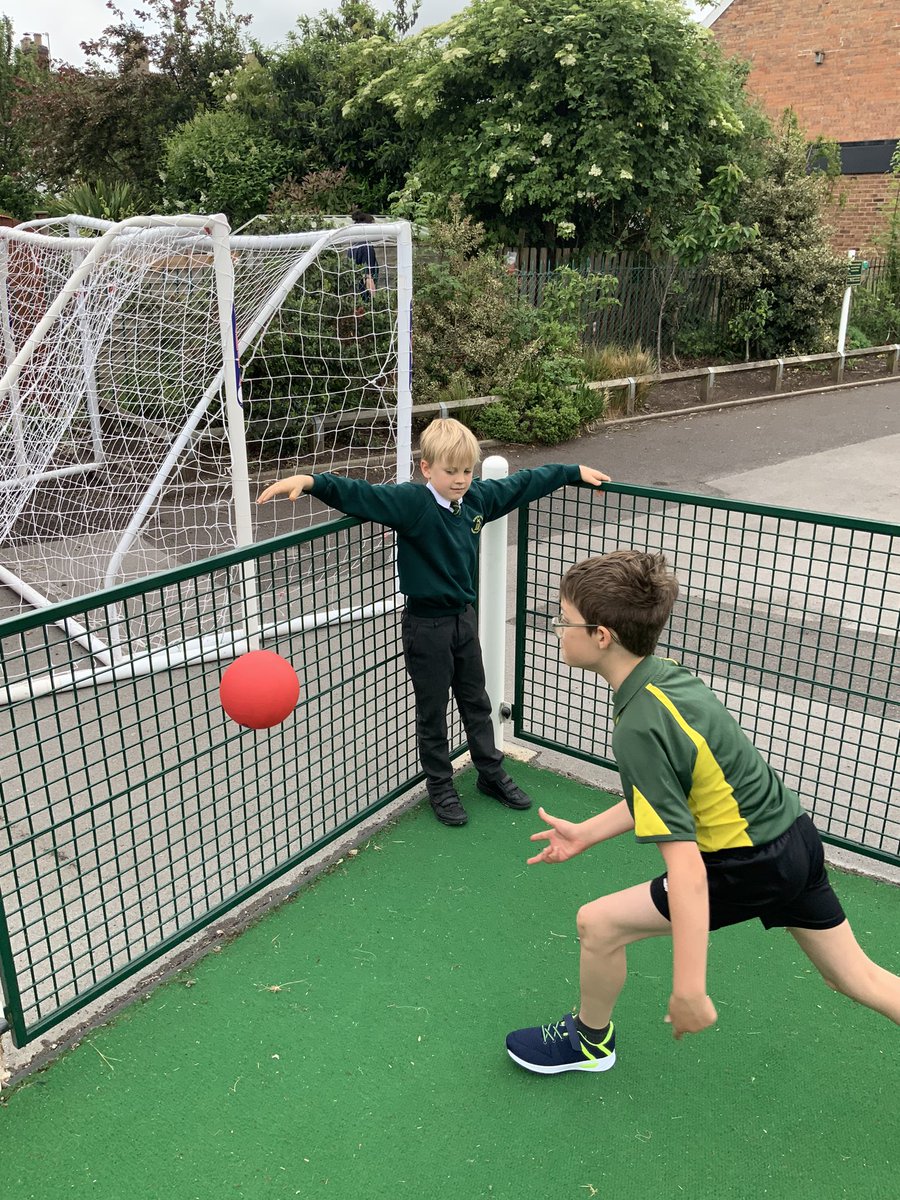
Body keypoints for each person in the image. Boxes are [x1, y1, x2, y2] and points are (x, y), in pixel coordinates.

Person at [506, 550, 900, 1075]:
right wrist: (586, 833)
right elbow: (676, 790)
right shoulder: (667, 675)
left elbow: (689, 872)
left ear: (601, 636)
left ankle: (589, 1042)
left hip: (748, 863)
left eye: (564, 620)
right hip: (795, 838)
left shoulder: (638, 726)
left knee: (597, 924)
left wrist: (690, 989)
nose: (556, 629)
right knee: (855, 977)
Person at [257, 417, 610, 826]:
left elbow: (523, 483)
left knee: (477, 701)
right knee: (433, 711)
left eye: (467, 471)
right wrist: (311, 481)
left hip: (463, 621)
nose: (460, 479)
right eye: (451, 471)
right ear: (426, 468)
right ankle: (440, 785)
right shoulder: (412, 503)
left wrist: (570, 472)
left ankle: (490, 773)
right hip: (426, 627)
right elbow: (362, 495)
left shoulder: (476, 499)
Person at [348, 210, 379, 311]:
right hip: (364, 300)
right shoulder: (367, 248)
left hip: (352, 298)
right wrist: (376, 303)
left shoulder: (353, 246)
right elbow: (368, 278)